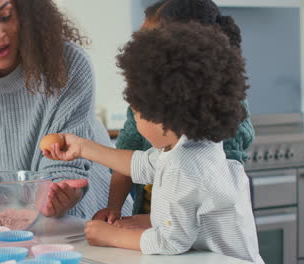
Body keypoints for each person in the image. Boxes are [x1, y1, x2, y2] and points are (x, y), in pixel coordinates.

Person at [43, 22, 264, 263]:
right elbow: (138, 163)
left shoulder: (182, 167)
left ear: (164, 117)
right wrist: (82, 147)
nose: (135, 120)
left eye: (138, 113)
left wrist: (111, 237)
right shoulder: (200, 147)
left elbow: (170, 242)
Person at [0, 0, 132, 223]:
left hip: (89, 220)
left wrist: (62, 193)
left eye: (6, 16)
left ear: (25, 12)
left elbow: (66, 166)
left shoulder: (67, 64)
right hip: (3, 225)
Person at [93, 0, 255, 227]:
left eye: (149, 41)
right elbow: (129, 160)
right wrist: (114, 208)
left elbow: (180, 230)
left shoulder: (218, 116)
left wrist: (127, 230)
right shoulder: (148, 98)